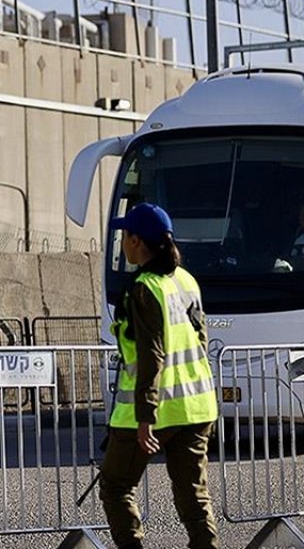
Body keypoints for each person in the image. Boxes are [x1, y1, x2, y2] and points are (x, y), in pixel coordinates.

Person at [99, 203, 219, 549]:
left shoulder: (145, 287)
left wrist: (144, 418)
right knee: (193, 494)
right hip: (197, 406)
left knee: (117, 486)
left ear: (137, 241)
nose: (123, 241)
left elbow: (152, 354)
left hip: (154, 410)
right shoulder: (185, 280)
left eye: (125, 235)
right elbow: (201, 339)